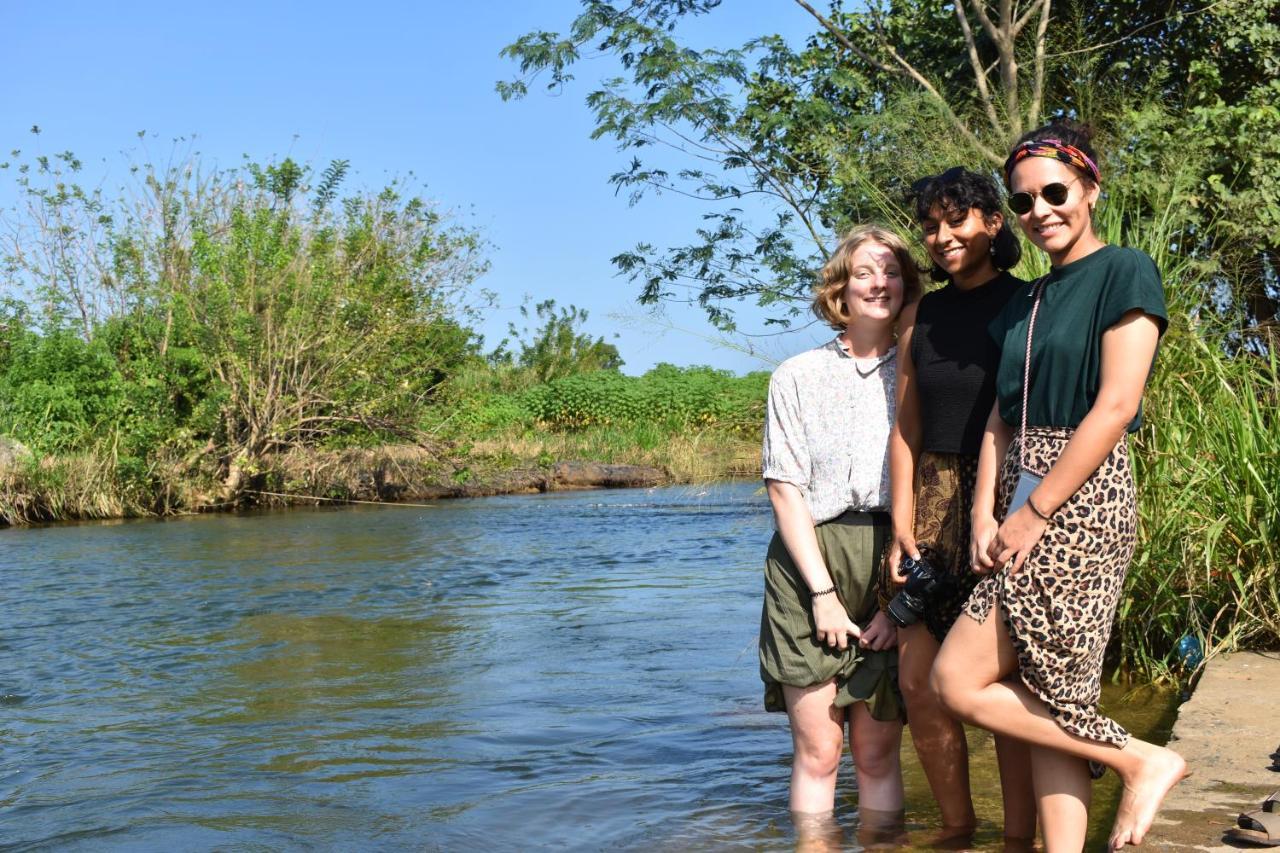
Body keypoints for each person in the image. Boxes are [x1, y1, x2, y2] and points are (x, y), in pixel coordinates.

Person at [930, 122, 1187, 852]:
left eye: (1055, 192)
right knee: (1047, 692)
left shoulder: (1125, 270)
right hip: (1017, 494)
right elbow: (998, 424)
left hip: (1084, 491)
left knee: (957, 678)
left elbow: (1117, 405)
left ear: (1090, 189)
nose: (1040, 209)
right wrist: (985, 513)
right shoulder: (1027, 301)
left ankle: (1143, 758)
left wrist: (1037, 510)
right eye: (1023, 201)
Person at [882, 167, 1036, 845]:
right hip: (934, 500)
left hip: (1003, 499)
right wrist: (899, 520)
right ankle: (956, 826)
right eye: (931, 225)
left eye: (956, 221)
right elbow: (905, 428)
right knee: (919, 681)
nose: (941, 237)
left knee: (1000, 678)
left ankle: (1018, 835)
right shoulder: (920, 314)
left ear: (993, 223)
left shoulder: (1028, 303)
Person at [759, 224, 921, 829]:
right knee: (821, 751)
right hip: (809, 562)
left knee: (877, 753)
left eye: (891, 271)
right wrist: (823, 596)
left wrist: (897, 604)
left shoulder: (920, 371)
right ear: (840, 289)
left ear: (907, 284)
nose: (879, 283)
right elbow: (784, 488)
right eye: (864, 273)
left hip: (893, 558)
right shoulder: (796, 375)